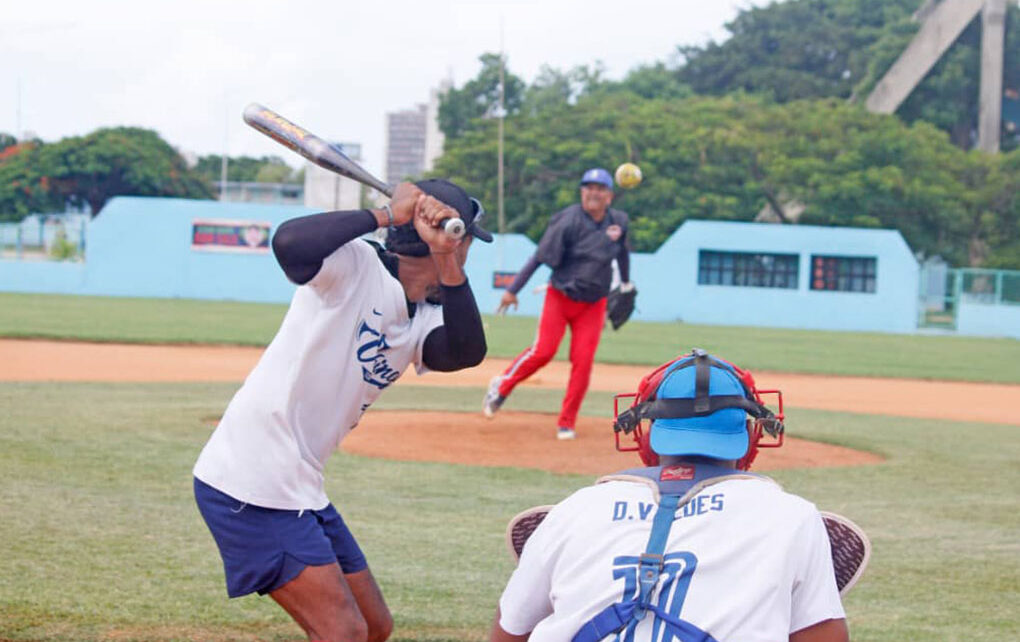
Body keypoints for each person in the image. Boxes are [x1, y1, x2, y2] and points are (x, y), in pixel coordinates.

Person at [193, 179, 492, 642]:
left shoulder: (425, 318)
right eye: (466, 241)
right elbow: (289, 243)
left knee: (374, 627)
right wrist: (388, 215)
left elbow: (467, 351)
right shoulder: (355, 266)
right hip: (250, 479)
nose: (465, 250)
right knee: (344, 632)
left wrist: (445, 258)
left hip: (299, 482)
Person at [491, 349, 849, 642]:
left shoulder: (575, 508)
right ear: (750, 437)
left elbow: (508, 632)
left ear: (646, 437)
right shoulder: (792, 517)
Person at [483, 168, 633, 440]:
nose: (593, 192)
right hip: (561, 296)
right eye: (588, 187)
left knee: (583, 362)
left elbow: (622, 254)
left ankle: (567, 421)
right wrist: (512, 290)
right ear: (582, 192)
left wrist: (626, 284)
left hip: (593, 304)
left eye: (600, 188)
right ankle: (502, 385)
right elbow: (539, 258)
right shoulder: (567, 221)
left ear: (609, 196)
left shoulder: (618, 223)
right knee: (543, 352)